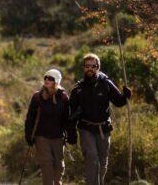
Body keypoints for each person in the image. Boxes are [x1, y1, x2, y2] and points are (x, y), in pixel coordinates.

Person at [67, 53, 131, 185]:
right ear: (83, 68)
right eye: (87, 66)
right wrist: (71, 133)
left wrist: (126, 96)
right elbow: (70, 114)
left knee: (102, 162)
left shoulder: (106, 84)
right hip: (86, 128)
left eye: (93, 66)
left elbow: (119, 102)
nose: (89, 69)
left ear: (98, 67)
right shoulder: (78, 89)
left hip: (104, 128)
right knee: (92, 158)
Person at [25, 68, 71, 185]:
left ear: (57, 81)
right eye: (45, 77)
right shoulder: (37, 97)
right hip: (41, 137)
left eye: (50, 78)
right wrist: (29, 135)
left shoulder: (64, 98)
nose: (47, 80)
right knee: (47, 162)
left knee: (59, 166)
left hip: (58, 137)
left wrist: (71, 134)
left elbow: (67, 119)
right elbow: (30, 118)